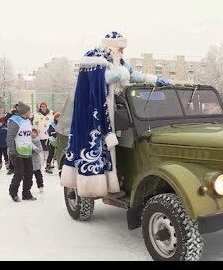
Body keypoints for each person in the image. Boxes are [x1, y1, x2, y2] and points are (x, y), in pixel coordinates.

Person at [60, 32, 170, 197]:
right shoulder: (93, 57)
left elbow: (133, 75)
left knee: (109, 148)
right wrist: (121, 73)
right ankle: (90, 186)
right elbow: (100, 79)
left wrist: (155, 79)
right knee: (95, 145)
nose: (123, 52)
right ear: (111, 46)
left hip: (111, 110)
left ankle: (112, 183)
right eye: (120, 48)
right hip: (93, 112)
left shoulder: (117, 61)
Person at [7, 101, 36, 202]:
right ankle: (13, 192)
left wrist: (31, 139)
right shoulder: (14, 121)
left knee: (29, 173)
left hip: (27, 151)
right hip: (17, 152)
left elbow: (26, 135)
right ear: (24, 112)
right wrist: (12, 151)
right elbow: (10, 137)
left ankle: (26, 193)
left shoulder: (27, 120)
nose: (30, 113)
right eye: (29, 111)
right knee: (19, 173)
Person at [33, 102, 54, 173]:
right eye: (41, 106)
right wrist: (35, 132)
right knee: (41, 151)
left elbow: (53, 124)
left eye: (44, 106)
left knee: (49, 151)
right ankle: (39, 165)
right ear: (40, 107)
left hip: (49, 136)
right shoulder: (37, 115)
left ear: (46, 106)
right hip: (40, 136)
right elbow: (35, 124)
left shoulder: (51, 114)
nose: (43, 107)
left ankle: (48, 165)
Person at [30, 128, 44, 193]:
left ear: (36, 134)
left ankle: (40, 186)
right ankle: (28, 187)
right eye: (31, 133)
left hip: (36, 161)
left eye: (34, 133)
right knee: (28, 176)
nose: (32, 134)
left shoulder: (37, 141)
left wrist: (34, 148)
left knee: (38, 174)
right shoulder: (27, 141)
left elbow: (40, 149)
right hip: (29, 161)